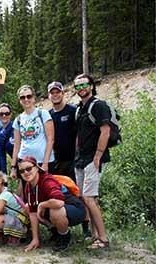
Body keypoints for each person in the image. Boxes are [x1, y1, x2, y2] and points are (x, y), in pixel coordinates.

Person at [74, 73, 111, 249]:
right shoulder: (80, 108)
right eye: (78, 86)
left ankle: (103, 239)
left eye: (84, 85)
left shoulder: (99, 106)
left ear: (91, 86)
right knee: (86, 198)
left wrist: (98, 155)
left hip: (93, 159)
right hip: (81, 159)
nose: (81, 89)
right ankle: (96, 235)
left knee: (89, 198)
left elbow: (105, 131)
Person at [19, 156, 86, 252]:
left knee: (55, 210)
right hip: (59, 209)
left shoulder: (47, 181)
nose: (25, 172)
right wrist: (35, 239)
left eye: (28, 169)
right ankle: (56, 232)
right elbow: (33, 213)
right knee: (27, 207)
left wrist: (41, 205)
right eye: (22, 171)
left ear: (37, 168)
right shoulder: (29, 187)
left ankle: (64, 237)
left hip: (76, 210)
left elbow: (59, 202)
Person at [11, 85, 55, 195]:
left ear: (33, 98)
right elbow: (17, 145)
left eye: (28, 96)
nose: (26, 99)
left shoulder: (43, 114)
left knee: (46, 193)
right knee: (29, 195)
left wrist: (45, 163)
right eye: (22, 97)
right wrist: (13, 167)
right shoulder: (18, 119)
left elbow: (51, 139)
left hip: (42, 160)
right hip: (24, 162)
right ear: (19, 100)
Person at [47, 81, 77, 182]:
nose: (55, 95)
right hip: (56, 161)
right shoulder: (48, 115)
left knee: (76, 192)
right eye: (52, 93)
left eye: (57, 92)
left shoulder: (73, 111)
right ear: (49, 95)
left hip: (73, 160)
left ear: (63, 93)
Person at [0, 103, 14, 175]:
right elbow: (2, 155)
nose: (4, 116)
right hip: (15, 165)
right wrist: (4, 173)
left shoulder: (17, 128)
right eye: (1, 114)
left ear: (10, 114)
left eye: (7, 113)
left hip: (27, 162)